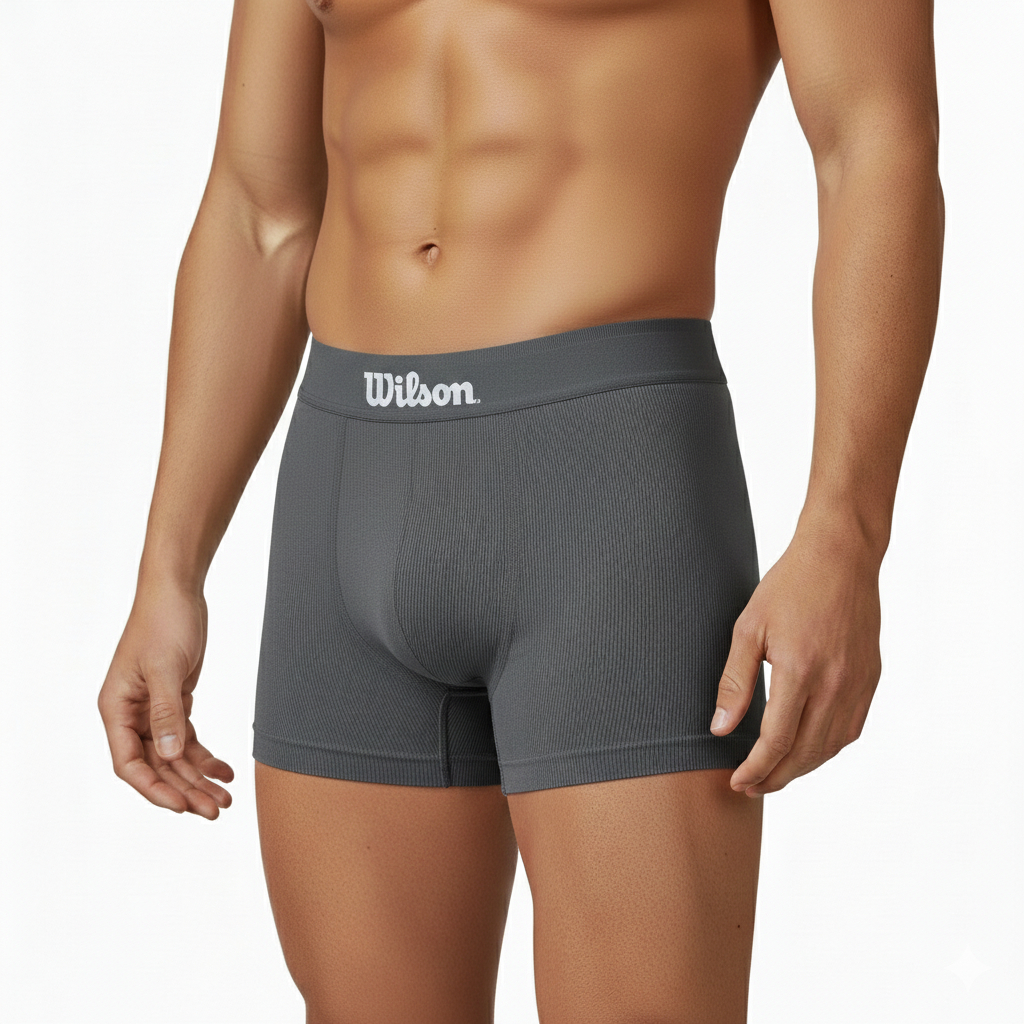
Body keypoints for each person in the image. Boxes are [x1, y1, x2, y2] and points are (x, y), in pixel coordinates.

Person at [96, 0, 943, 1020]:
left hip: (607, 492)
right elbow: (258, 210)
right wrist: (169, 568)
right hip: (345, 488)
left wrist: (848, 533)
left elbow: (874, 143)